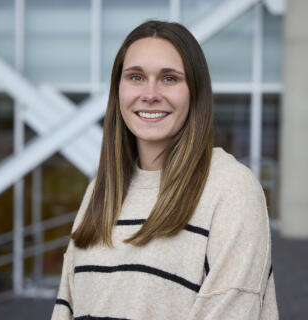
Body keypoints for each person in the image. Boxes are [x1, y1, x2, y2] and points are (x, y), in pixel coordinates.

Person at [51, 20, 279, 319]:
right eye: (136, 77)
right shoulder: (101, 189)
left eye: (169, 78)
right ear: (118, 89)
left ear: (195, 92)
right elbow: (65, 307)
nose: (150, 93)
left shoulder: (231, 189)